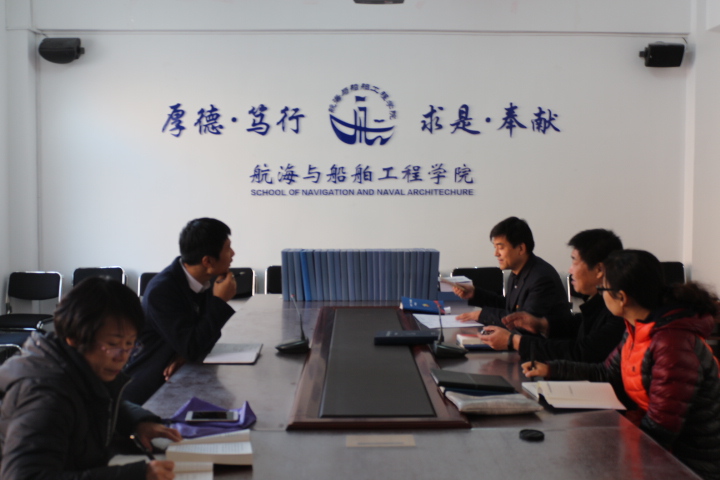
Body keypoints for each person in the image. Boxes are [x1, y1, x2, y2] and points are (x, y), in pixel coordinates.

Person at [523, 250, 720, 480]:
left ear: (622, 298)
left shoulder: (671, 344)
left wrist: (608, 443)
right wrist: (552, 369)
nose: (601, 296)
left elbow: (661, 430)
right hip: (661, 452)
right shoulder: (638, 328)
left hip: (690, 465)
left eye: (603, 290)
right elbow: (607, 373)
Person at [0, 277, 182, 480]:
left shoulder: (80, 366)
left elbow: (101, 401)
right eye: (113, 344)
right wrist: (134, 475)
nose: (122, 356)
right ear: (75, 338)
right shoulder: (45, 396)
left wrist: (138, 422)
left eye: (130, 344)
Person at [123, 217, 237, 404]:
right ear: (207, 261)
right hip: (151, 390)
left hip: (179, 378)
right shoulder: (162, 291)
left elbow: (203, 339)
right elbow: (194, 345)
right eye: (227, 248)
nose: (233, 254)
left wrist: (184, 354)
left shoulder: (202, 281)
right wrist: (219, 301)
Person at [478, 229, 626, 362]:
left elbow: (583, 352)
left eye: (575, 262)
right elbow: (578, 325)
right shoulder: (599, 303)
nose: (570, 270)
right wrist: (542, 324)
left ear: (599, 270)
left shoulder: (618, 312)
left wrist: (515, 341)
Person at [455, 216, 572, 333]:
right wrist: (475, 294)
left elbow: (524, 322)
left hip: (543, 342)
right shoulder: (518, 271)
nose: (496, 253)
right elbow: (509, 307)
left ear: (521, 248)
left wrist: (483, 315)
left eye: (501, 248)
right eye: (495, 248)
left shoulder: (541, 278)